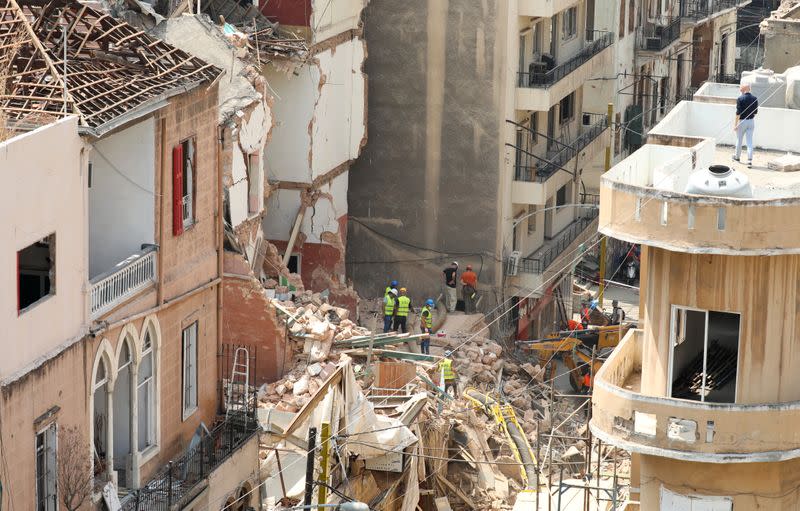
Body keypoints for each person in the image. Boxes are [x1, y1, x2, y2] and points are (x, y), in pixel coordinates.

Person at [733, 83, 758, 167]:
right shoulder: (755, 98)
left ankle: (737, 157)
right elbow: (755, 112)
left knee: (739, 139)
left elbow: (738, 113)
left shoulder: (740, 98)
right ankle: (749, 160)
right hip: (751, 122)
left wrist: (735, 124)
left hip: (742, 121)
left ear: (743, 89)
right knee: (749, 141)